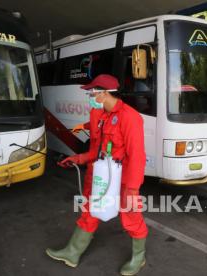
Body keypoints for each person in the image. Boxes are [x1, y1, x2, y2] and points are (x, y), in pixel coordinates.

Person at [46, 74, 148, 276]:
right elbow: (96, 151)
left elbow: (137, 155)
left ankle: (139, 257)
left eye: (92, 92)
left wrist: (133, 187)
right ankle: (72, 253)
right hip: (98, 176)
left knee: (131, 217)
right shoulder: (99, 115)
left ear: (104, 93)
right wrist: (77, 159)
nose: (90, 96)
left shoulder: (130, 117)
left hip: (123, 179)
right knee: (89, 211)